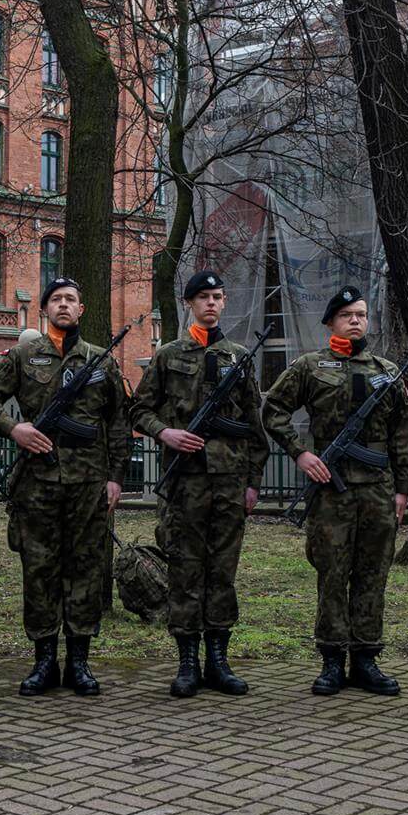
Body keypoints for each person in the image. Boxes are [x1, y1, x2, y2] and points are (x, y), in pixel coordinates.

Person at [0, 276, 132, 696]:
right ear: (45, 310)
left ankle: (79, 661)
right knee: (39, 569)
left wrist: (116, 477)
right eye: (56, 299)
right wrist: (14, 427)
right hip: (37, 483)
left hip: (88, 484)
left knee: (85, 568)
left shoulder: (102, 361)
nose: (63, 305)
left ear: (82, 310)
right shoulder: (23, 356)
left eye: (71, 300)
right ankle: (44, 661)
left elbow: (117, 422)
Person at [263, 285, 408, 697]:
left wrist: (403, 489)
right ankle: (332, 659)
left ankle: (366, 658)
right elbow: (273, 411)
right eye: (347, 314)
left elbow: (404, 433)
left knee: (373, 573)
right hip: (331, 490)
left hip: (378, 491)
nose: (356, 321)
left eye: (362, 315)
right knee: (332, 574)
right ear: (330, 321)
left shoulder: (387, 371)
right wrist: (299, 454)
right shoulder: (309, 367)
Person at [131, 271, 268, 698]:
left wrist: (253, 483)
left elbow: (253, 424)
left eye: (219, 297)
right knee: (186, 570)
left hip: (229, 483)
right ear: (190, 303)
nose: (212, 303)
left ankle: (219, 660)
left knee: (222, 572)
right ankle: (188, 661)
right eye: (204, 297)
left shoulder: (240, 357)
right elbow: (138, 409)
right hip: (185, 482)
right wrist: (164, 433)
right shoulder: (168, 355)